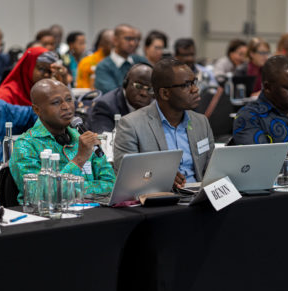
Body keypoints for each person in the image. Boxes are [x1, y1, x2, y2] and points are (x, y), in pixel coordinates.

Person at [9, 78, 115, 202]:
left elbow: (111, 184)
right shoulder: (26, 146)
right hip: (48, 218)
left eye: (69, 99)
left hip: (90, 213)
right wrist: (79, 159)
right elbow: (39, 195)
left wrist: (72, 190)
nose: (66, 107)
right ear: (37, 110)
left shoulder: (82, 138)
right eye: (56, 102)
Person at [114, 58, 215, 187]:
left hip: (199, 197)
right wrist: (159, 178)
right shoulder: (131, 125)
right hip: (160, 200)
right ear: (165, 93)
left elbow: (212, 169)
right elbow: (126, 177)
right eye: (186, 85)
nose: (195, 89)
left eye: (194, 82)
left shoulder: (201, 122)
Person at [90, 63, 154, 133]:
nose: (144, 93)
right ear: (125, 83)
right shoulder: (105, 106)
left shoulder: (156, 107)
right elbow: (104, 140)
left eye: (149, 89)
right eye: (138, 86)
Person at [0, 46, 68, 106]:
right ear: (28, 67)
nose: (46, 75)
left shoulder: (46, 91)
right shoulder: (7, 94)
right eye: (41, 69)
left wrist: (63, 79)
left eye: (49, 71)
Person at [94, 24, 148, 94]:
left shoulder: (141, 61)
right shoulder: (103, 67)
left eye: (135, 39)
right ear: (115, 40)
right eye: (128, 39)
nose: (133, 43)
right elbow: (113, 95)